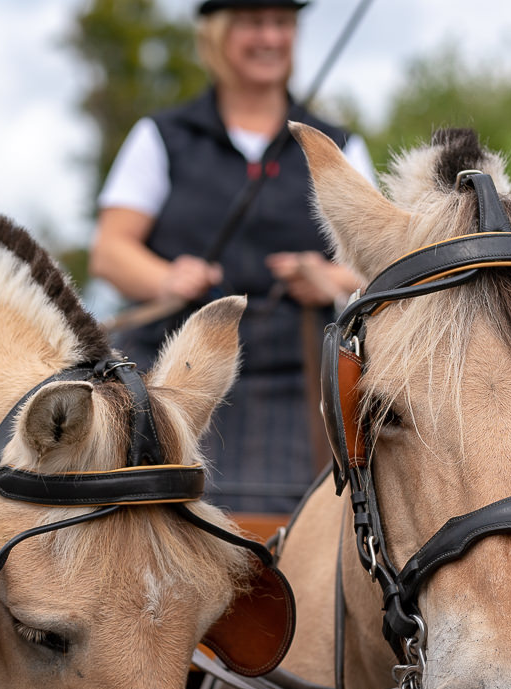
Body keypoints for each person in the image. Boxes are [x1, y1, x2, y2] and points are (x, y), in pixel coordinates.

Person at [90, 0, 376, 513]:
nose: (269, 37)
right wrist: (166, 277)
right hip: (174, 375)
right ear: (219, 33)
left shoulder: (337, 145)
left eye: (282, 23)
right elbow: (110, 252)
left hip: (298, 387)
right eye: (253, 22)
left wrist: (328, 278)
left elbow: (373, 262)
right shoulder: (162, 137)